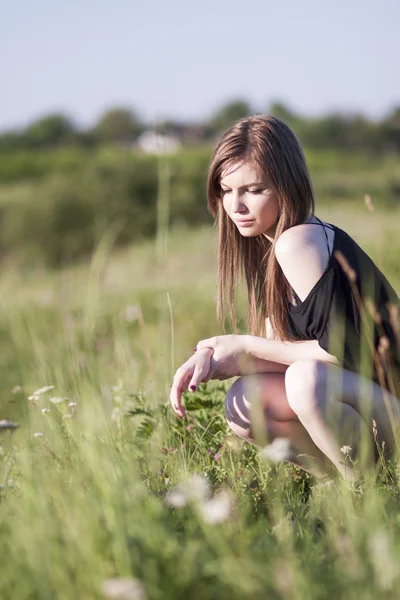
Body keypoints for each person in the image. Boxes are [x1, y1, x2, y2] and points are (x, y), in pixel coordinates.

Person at [169, 115, 400, 480]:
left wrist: (245, 345)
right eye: (227, 190)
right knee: (244, 399)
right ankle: (346, 486)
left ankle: (365, 495)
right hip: (372, 404)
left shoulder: (298, 242)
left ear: (287, 186)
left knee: (307, 381)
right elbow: (285, 353)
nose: (236, 206)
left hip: (392, 401)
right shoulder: (269, 248)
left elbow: (341, 354)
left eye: (254, 189)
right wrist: (215, 357)